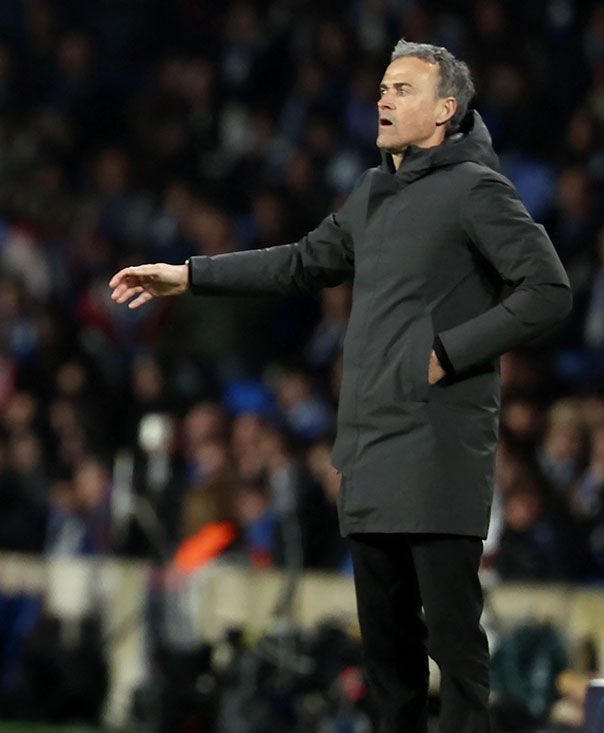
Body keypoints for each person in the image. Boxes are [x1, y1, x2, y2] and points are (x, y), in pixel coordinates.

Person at [109, 40, 571, 733]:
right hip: (371, 445)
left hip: (440, 444)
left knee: (455, 648)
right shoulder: (372, 191)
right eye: (383, 86)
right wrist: (190, 273)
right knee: (387, 658)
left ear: (445, 110)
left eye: (403, 89)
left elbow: (549, 289)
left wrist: (450, 353)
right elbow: (299, 263)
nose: (383, 99)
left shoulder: (477, 189)